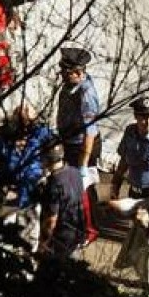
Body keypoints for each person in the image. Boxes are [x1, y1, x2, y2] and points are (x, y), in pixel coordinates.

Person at [0, 102, 53, 209]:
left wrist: (47, 174)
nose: (25, 130)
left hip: (34, 196)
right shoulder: (1, 138)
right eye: (21, 124)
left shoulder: (41, 134)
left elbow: (56, 154)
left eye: (29, 124)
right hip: (7, 196)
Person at [56, 47, 101, 200]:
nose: (62, 75)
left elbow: (90, 131)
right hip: (70, 144)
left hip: (81, 147)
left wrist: (84, 163)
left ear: (78, 73)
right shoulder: (70, 87)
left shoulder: (86, 94)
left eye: (66, 73)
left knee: (83, 190)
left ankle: (88, 222)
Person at [38, 143, 86, 260]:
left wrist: (43, 243)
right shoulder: (75, 172)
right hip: (77, 232)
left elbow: (52, 220)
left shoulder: (54, 183)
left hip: (61, 237)